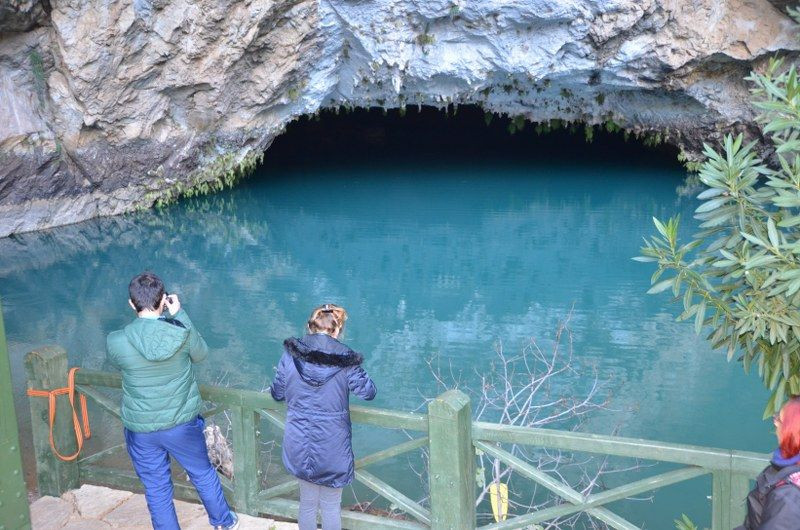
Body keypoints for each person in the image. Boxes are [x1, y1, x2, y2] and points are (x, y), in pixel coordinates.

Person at [107, 272, 238, 530]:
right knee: (202, 473)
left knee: (156, 487)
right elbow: (201, 354)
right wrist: (179, 314)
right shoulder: (180, 333)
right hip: (181, 425)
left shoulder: (116, 340)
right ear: (163, 301)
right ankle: (224, 522)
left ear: (132, 304)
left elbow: (120, 362)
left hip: (141, 428)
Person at [269, 303, 377, 530]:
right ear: (337, 331)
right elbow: (368, 392)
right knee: (330, 506)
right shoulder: (347, 360)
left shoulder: (290, 355)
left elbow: (277, 392)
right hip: (332, 446)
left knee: (307, 503)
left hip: (298, 442)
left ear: (309, 327)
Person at [737, 397, 800, 529]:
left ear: (792, 432)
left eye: (780, 420)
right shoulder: (784, 471)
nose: (775, 423)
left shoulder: (788, 497)